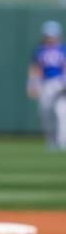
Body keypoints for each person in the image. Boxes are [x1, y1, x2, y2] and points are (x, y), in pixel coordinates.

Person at [27, 20, 66, 151]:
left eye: (53, 35)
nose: (50, 38)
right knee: (45, 112)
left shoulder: (63, 49)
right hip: (46, 84)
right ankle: (50, 140)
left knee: (62, 112)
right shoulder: (39, 50)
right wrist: (32, 84)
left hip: (60, 82)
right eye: (48, 36)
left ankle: (62, 141)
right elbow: (35, 68)